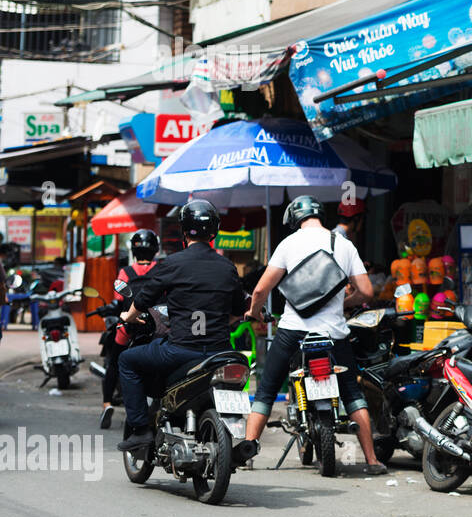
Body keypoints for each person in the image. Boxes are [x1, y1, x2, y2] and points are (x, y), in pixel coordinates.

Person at [241, 195, 384, 474]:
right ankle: (372, 459)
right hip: (334, 334)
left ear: (295, 219)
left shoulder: (288, 244)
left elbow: (260, 291)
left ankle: (247, 451)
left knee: (267, 390)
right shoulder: (343, 244)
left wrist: (254, 312)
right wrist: (341, 303)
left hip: (293, 330)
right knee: (352, 393)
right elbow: (367, 291)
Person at [116, 202, 246, 453]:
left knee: (127, 360)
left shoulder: (173, 263)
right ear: (214, 232)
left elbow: (144, 299)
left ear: (184, 231)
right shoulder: (227, 267)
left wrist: (129, 316)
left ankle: (141, 431)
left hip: (180, 351)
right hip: (220, 353)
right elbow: (237, 313)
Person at [98, 229, 159, 430]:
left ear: (133, 249)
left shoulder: (126, 272)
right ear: (155, 249)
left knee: (114, 365)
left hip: (128, 328)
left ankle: (107, 403)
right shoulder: (159, 270)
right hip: (155, 328)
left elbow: (118, 302)